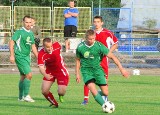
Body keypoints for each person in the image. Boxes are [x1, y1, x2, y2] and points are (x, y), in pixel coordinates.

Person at [76, 29, 129, 110]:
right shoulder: (80, 47)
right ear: (86, 38)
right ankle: (105, 106)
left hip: (98, 71)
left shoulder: (99, 46)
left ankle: (96, 95)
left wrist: (121, 69)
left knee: (105, 92)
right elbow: (78, 60)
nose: (92, 40)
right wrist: (77, 73)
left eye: (93, 38)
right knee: (92, 89)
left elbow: (112, 57)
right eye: (90, 39)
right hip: (86, 71)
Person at [81, 16, 119, 105]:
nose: (96, 23)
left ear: (102, 23)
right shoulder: (91, 33)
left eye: (98, 22)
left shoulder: (107, 33)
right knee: (89, 79)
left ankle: (104, 97)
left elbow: (116, 44)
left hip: (103, 61)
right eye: (95, 22)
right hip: (91, 60)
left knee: (105, 81)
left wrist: (108, 52)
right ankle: (85, 99)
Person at [9, 15, 38, 102]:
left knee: (23, 76)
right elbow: (11, 42)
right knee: (29, 75)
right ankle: (26, 95)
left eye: (30, 22)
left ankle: (20, 97)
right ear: (23, 22)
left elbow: (33, 47)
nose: (28, 24)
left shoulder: (31, 33)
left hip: (26, 57)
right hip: (20, 56)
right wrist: (12, 55)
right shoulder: (19, 32)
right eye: (26, 22)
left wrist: (39, 57)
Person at [38, 37, 69, 108]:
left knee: (61, 91)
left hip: (60, 71)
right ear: (43, 46)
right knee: (44, 91)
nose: (50, 48)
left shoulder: (57, 46)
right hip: (49, 72)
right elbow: (41, 67)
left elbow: (64, 43)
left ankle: (60, 95)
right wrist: (45, 75)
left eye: (51, 46)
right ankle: (54, 103)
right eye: (48, 47)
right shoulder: (41, 54)